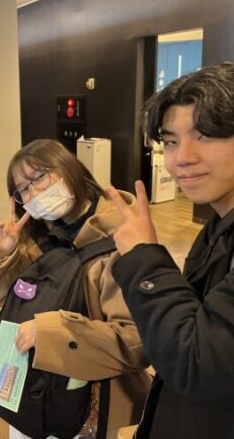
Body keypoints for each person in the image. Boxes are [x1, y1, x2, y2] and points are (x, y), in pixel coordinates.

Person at [0, 139, 150, 439]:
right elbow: (2, 301)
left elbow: (136, 340)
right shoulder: (38, 236)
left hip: (87, 400)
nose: (33, 193)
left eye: (39, 177)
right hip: (31, 387)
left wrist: (52, 333)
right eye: (23, 190)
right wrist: (4, 253)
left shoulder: (121, 237)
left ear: (68, 166)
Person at [106, 62, 234, 439]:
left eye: (205, 135)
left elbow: (196, 362)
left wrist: (144, 257)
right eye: (171, 141)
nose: (181, 158)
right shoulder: (218, 227)